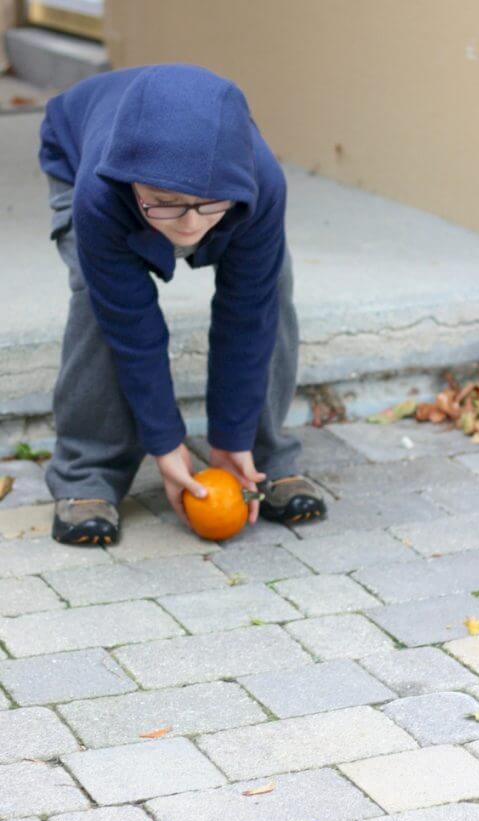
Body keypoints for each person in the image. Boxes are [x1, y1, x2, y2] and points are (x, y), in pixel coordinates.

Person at [38, 62, 327, 545]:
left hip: (206, 192)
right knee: (98, 304)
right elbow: (131, 325)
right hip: (83, 160)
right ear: (132, 185)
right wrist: (165, 442)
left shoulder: (260, 184)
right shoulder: (100, 191)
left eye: (205, 207)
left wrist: (229, 436)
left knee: (270, 286)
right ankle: (87, 474)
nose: (190, 228)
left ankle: (261, 459)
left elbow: (247, 314)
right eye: (166, 202)